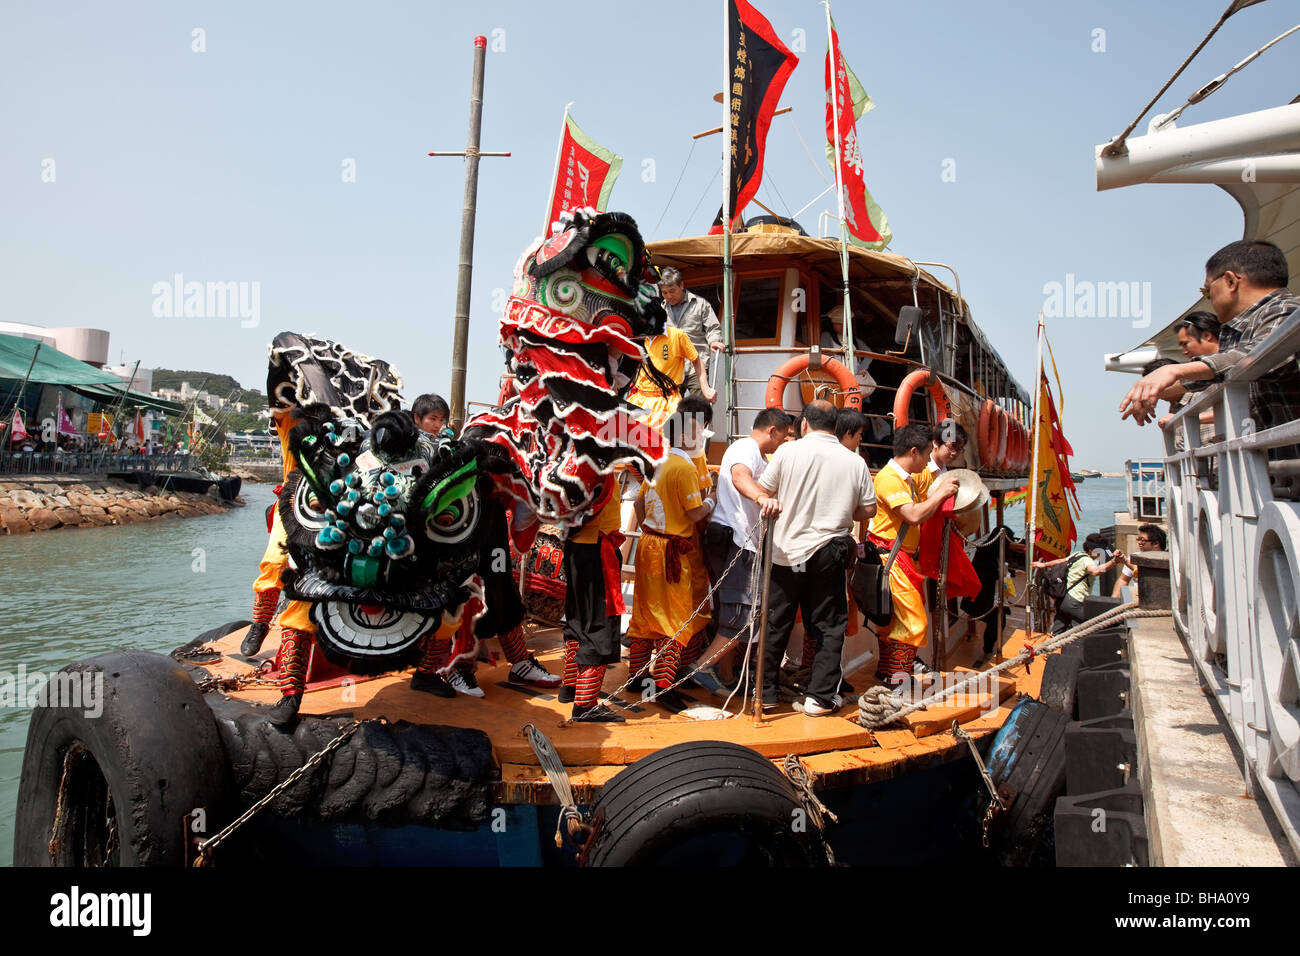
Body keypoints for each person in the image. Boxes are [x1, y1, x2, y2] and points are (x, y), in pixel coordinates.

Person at [411, 397, 559, 694]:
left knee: (502, 589)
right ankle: (448, 668)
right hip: (461, 529)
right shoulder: (484, 429)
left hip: (492, 529)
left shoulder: (536, 439)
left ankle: (519, 662)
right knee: (463, 597)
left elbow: (524, 498)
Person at [756, 400, 877, 716]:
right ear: (836, 428)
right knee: (828, 624)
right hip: (828, 552)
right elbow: (869, 509)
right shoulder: (854, 462)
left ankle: (765, 695)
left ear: (804, 425)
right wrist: (840, 507)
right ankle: (820, 698)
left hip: (786, 553)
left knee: (776, 622)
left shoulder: (786, 452)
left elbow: (764, 491)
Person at [1120, 240, 1300, 442]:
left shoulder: (1287, 311)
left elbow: (1261, 356)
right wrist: (1156, 388)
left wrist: (1175, 370)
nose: (1209, 299)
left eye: (1207, 291)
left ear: (1231, 281)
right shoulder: (1241, 327)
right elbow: (1227, 372)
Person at [627, 400, 715, 712]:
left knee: (644, 614)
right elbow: (694, 513)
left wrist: (651, 529)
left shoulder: (656, 462)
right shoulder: (685, 468)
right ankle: (663, 685)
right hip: (673, 552)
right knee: (677, 620)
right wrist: (712, 504)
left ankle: (636, 676)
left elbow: (638, 506)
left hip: (648, 545)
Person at [698, 407, 793, 696]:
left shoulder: (759, 454)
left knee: (738, 610)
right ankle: (701, 668)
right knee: (741, 611)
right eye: (785, 436)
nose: (785, 443)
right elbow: (740, 476)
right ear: (772, 431)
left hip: (742, 540)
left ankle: (725, 675)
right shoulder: (746, 447)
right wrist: (762, 497)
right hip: (737, 541)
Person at [867, 422, 960, 683]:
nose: (928, 459)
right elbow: (913, 515)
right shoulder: (889, 478)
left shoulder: (906, 480)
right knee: (913, 624)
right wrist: (941, 493)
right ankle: (897, 679)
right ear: (914, 452)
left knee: (893, 625)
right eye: (927, 452)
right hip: (892, 560)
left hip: (900, 559)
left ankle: (887, 674)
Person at [559, 485, 627, 721]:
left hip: (577, 544)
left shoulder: (572, 459)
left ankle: (570, 686)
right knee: (599, 624)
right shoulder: (598, 464)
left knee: (578, 617)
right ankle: (585, 703)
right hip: (596, 548)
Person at [626, 324, 717, 428]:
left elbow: (696, 360)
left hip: (668, 401)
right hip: (640, 400)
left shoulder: (677, 335)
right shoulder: (634, 337)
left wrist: (705, 388)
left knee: (669, 440)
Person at [1034, 533, 1123, 634]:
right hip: (1073, 603)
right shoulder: (1088, 561)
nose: (1100, 555)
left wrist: (1044, 564)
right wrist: (1114, 562)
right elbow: (1095, 571)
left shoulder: (1078, 555)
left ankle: (1047, 648)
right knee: (1095, 625)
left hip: (1062, 600)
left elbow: (1060, 561)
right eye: (1099, 552)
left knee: (1057, 632)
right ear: (1091, 550)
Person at [660, 267, 723, 392]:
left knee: (696, 408)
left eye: (672, 291)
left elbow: (713, 328)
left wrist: (714, 341)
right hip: (671, 366)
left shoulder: (700, 304)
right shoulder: (660, 309)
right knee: (673, 408)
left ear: (681, 285)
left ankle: (692, 413)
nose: (669, 296)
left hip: (697, 365)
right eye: (664, 293)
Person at [1112, 523, 1165, 600]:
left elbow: (1147, 572)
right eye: (1138, 539)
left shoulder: (1164, 561)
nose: (1139, 543)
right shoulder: (1134, 557)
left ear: (1156, 543)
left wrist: (1125, 561)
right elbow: (1123, 580)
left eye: (1142, 540)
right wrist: (1114, 599)